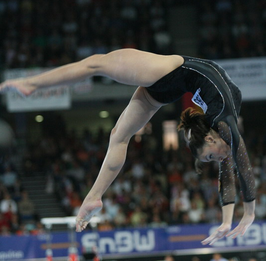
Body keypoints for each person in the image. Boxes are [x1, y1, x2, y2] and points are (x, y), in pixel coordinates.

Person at [0, 48, 256, 244]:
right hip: (168, 71)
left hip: (170, 87)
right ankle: (31, 84)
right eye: (211, 156)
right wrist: (248, 214)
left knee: (118, 136)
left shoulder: (220, 130)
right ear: (211, 139)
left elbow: (228, 172)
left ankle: (93, 197)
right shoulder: (225, 122)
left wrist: (225, 221)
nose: (217, 160)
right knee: (95, 63)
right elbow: (243, 167)